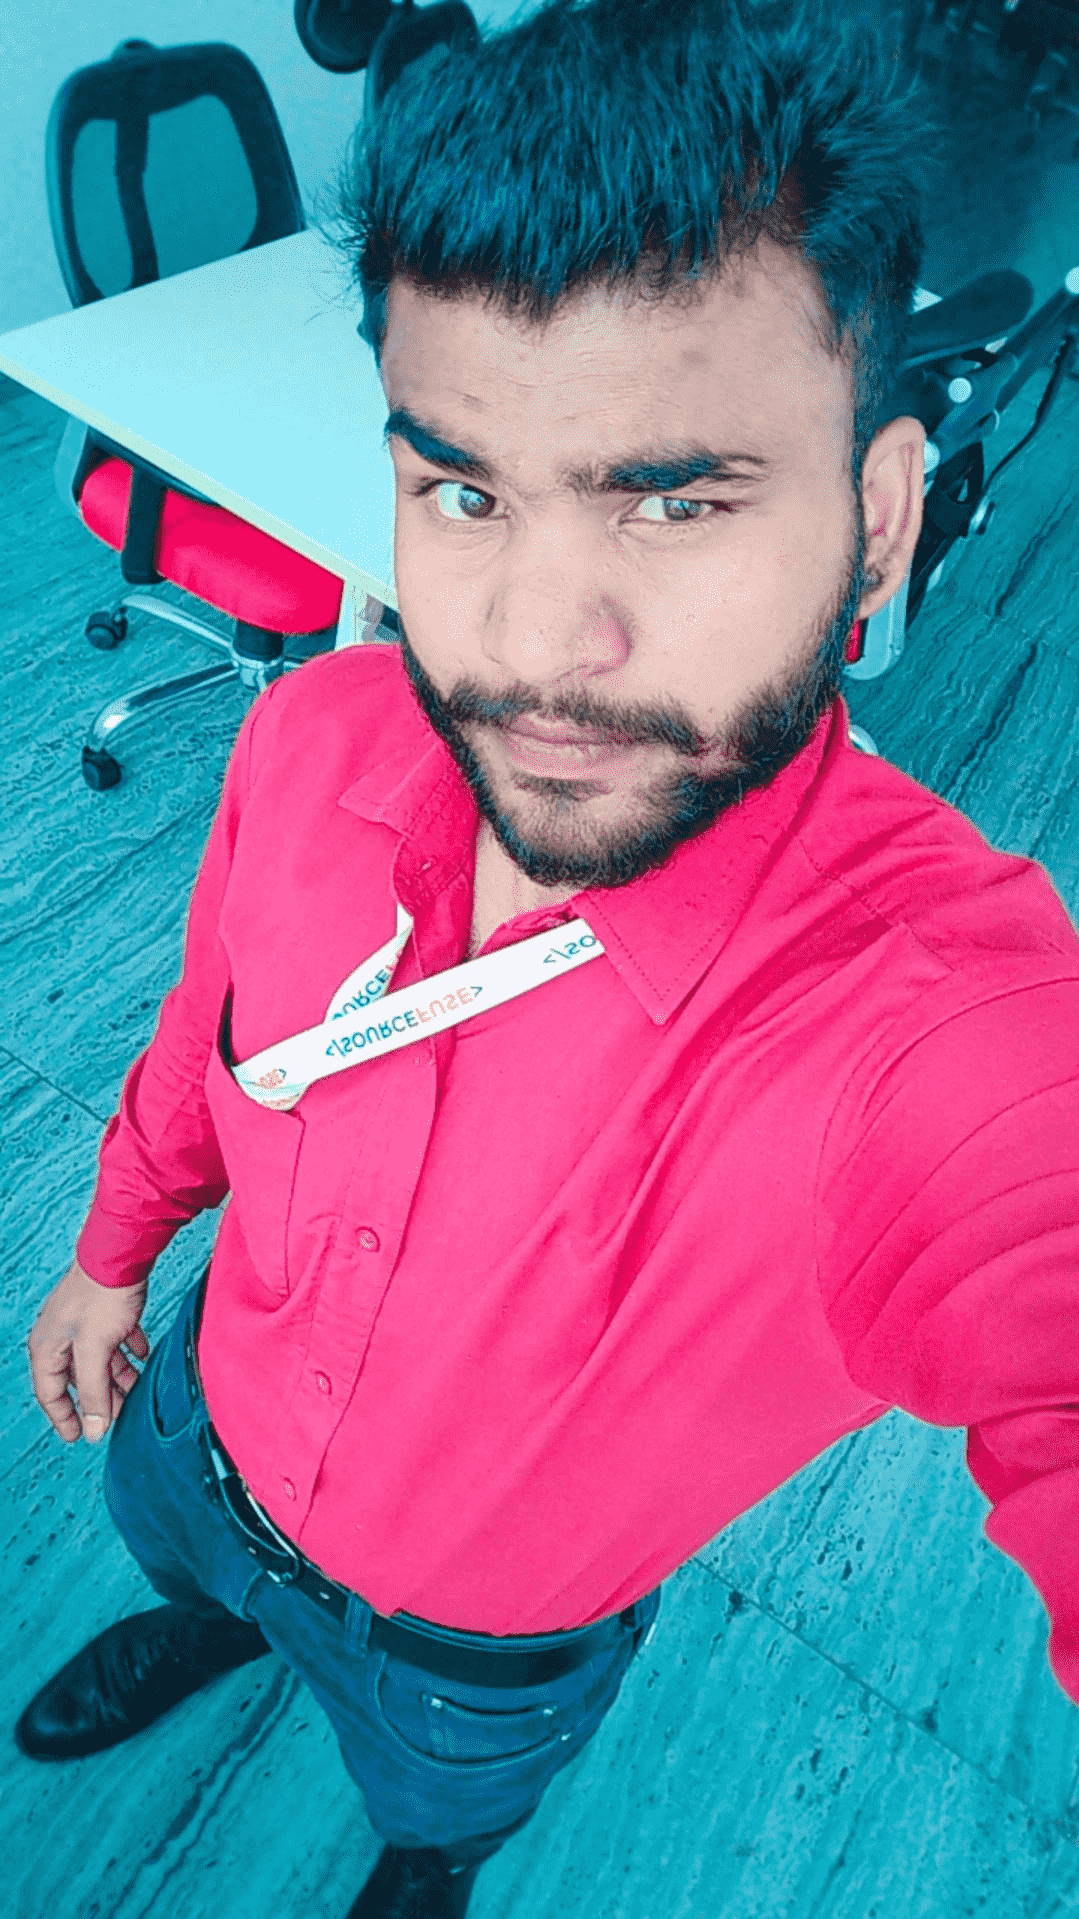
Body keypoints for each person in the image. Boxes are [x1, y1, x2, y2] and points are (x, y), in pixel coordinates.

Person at [19, 2, 1079, 1915]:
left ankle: (426, 1862)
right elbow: (208, 1035)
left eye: (674, 499)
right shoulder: (310, 735)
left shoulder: (949, 1039)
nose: (531, 642)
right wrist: (111, 1250)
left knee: (434, 1805)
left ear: (876, 520)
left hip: (468, 1658)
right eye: (465, 490)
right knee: (180, 1557)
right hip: (199, 1435)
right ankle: (211, 1620)